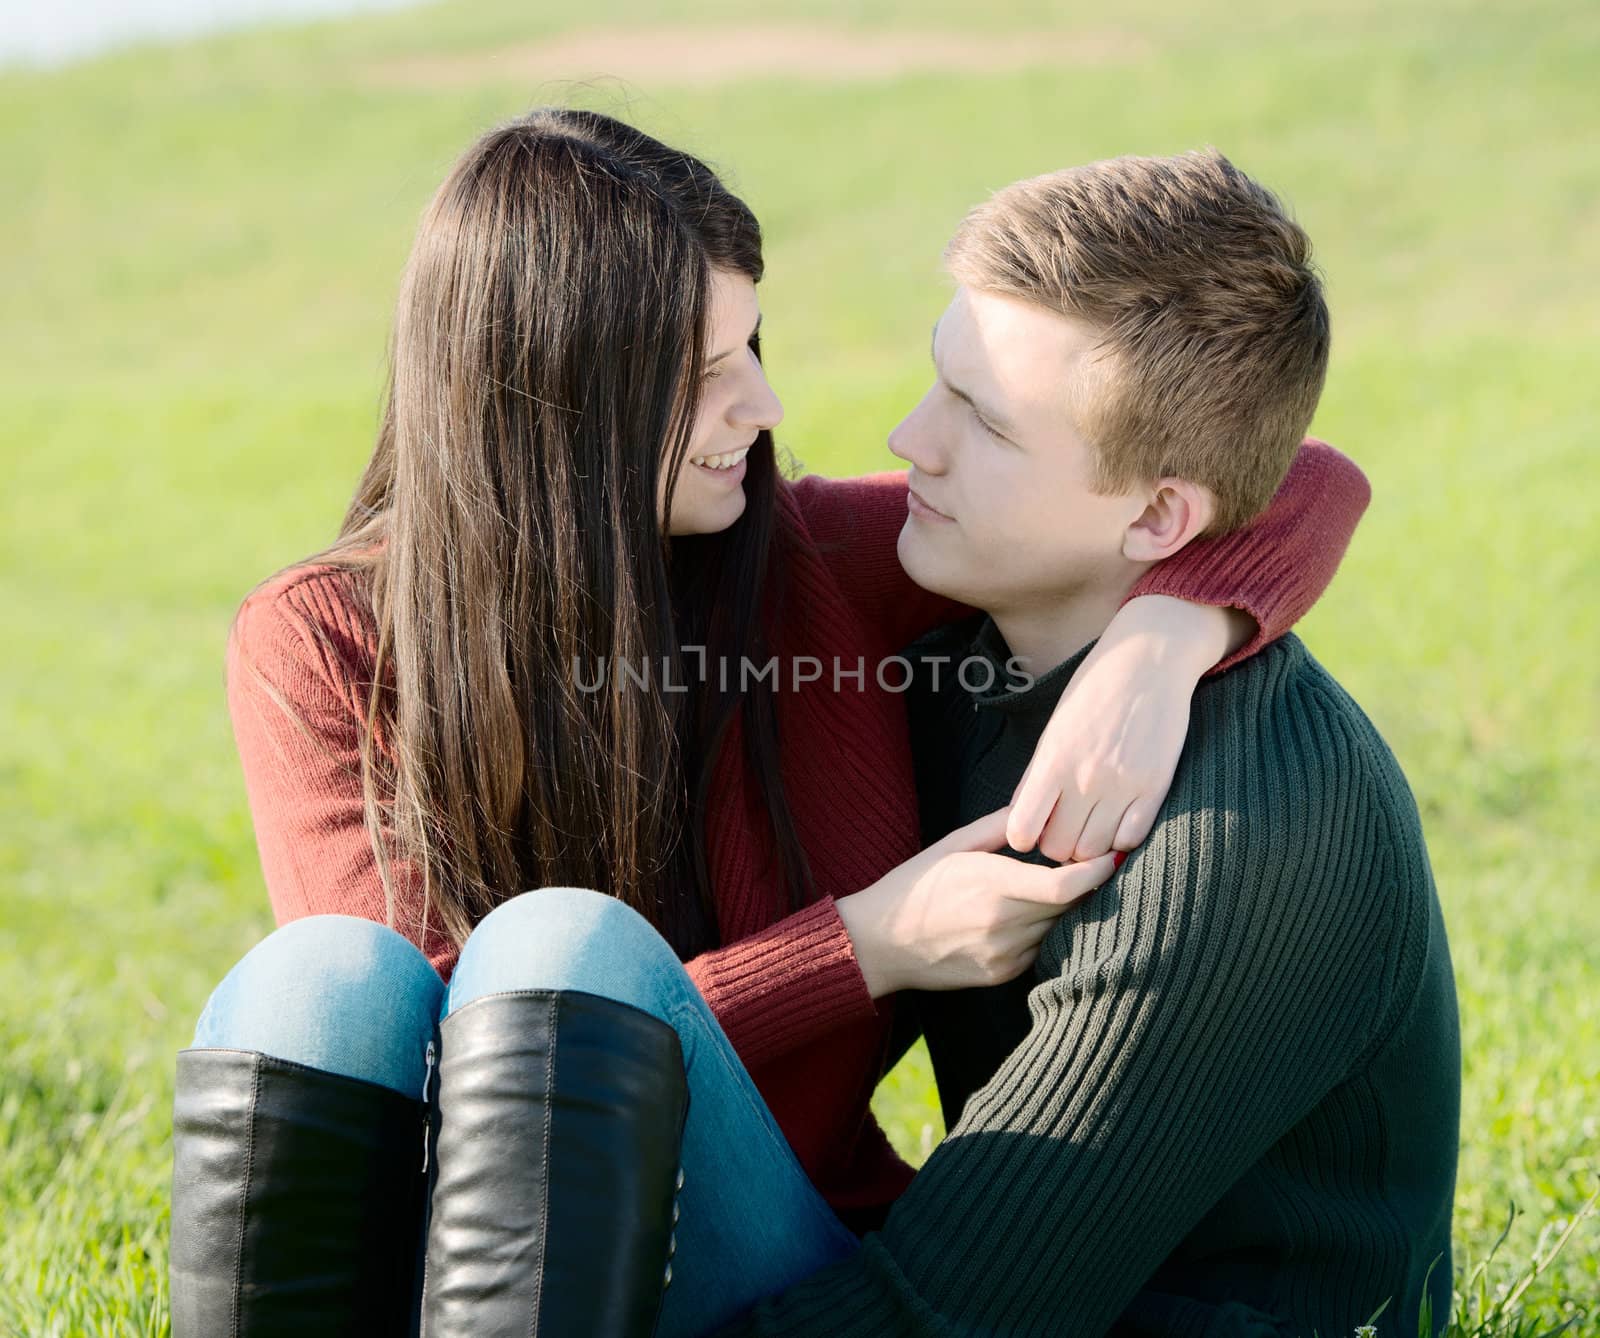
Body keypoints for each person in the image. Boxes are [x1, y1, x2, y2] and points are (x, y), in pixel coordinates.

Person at [167, 110, 1371, 1338]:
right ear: (554, 401)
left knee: (557, 954)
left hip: (770, 1241)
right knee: (328, 982)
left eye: (750, 344)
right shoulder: (322, 639)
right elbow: (446, 1088)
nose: (761, 403)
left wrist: (1164, 640)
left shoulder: (811, 562)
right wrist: (858, 947)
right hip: (450, 1253)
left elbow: (1286, 473)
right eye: (701, 377)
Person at [711, 152, 1460, 1338]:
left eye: (985, 425)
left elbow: (941, 1318)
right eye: (936, 382)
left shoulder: (1233, 837)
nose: (910, 439)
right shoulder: (950, 658)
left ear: (1161, 517)